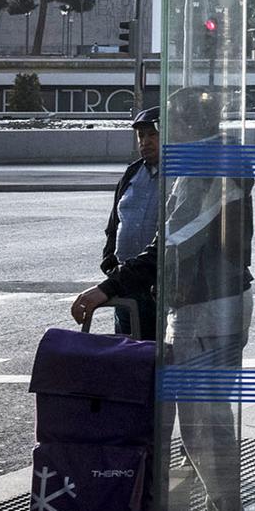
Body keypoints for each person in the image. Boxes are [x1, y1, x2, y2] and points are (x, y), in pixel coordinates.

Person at [71, 89, 253, 511]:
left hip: (205, 310)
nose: (160, 135)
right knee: (204, 431)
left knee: (204, 432)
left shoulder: (209, 167)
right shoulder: (205, 162)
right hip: (202, 308)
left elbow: (173, 244)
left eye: (169, 123)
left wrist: (109, 287)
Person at [97, 107, 161, 338]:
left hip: (159, 285)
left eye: (152, 135)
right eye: (141, 136)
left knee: (158, 355)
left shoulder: (180, 174)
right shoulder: (132, 173)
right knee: (128, 352)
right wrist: (109, 261)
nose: (145, 142)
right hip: (126, 282)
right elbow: (115, 222)